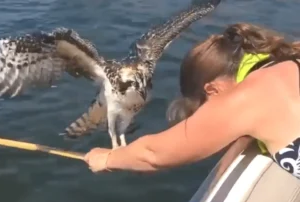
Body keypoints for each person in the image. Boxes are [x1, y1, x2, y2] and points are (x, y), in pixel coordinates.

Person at [84, 22, 300, 179]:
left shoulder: (246, 98)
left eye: (204, 105)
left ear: (213, 89)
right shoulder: (286, 60)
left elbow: (153, 154)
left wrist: (107, 159)